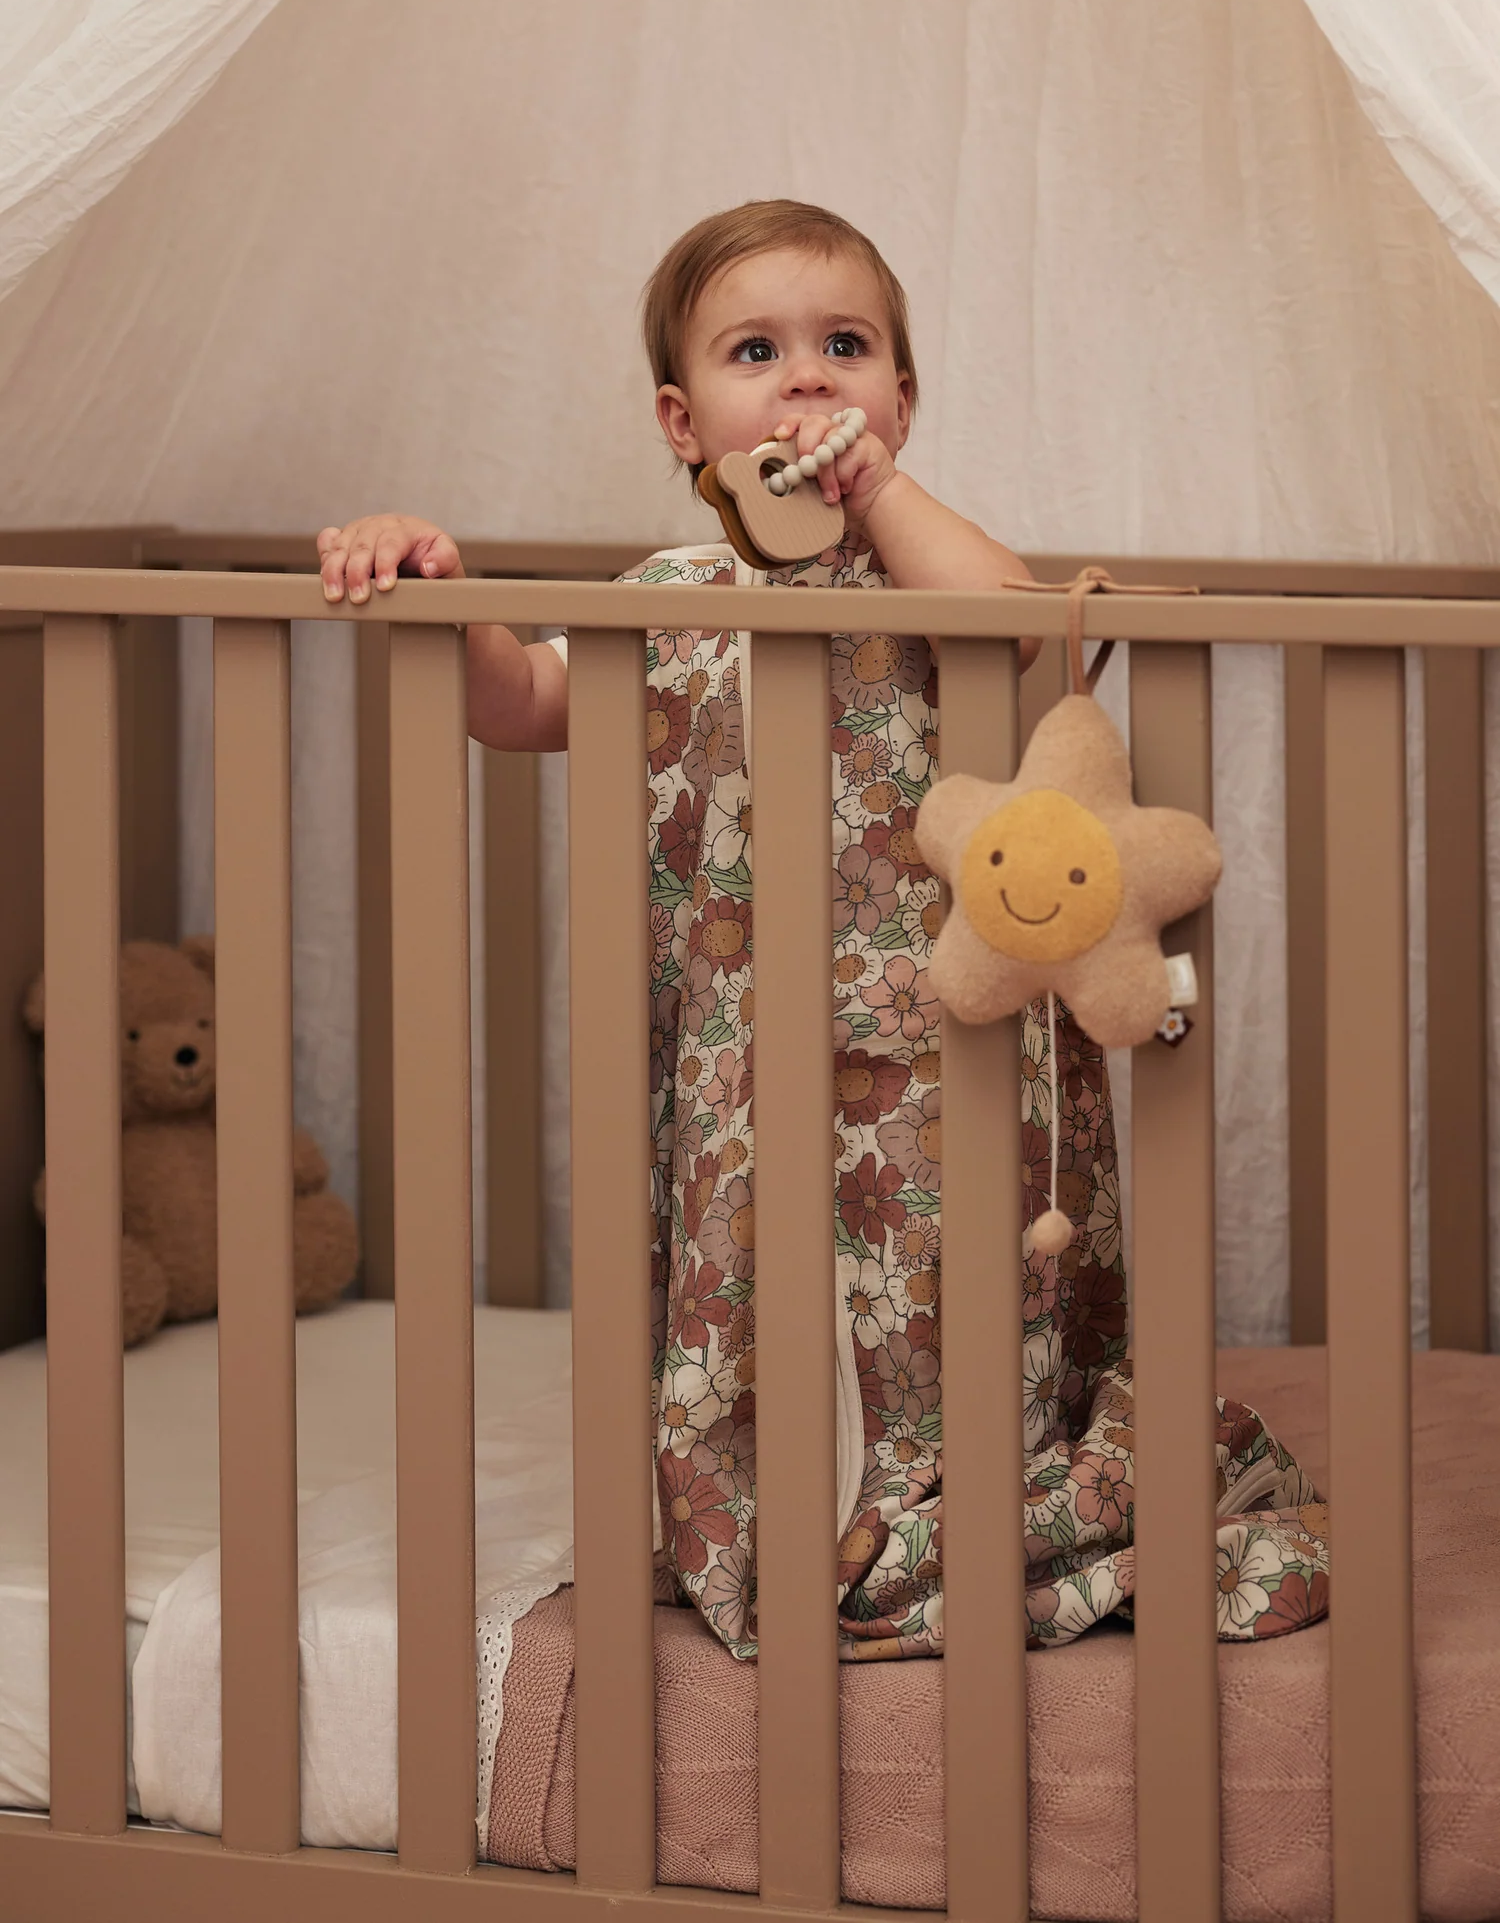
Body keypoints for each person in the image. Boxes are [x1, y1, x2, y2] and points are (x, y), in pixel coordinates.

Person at [318, 200, 1321, 1660]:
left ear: (901, 397)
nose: (806, 377)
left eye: (845, 346)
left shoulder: (924, 572)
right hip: (745, 1057)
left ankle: (959, 1499)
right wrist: (439, 590)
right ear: (684, 421)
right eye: (755, 351)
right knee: (756, 1288)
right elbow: (521, 701)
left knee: (957, 1295)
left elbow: (1018, 626)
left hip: (946, 1044)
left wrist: (883, 494)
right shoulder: (667, 598)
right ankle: (792, 1517)